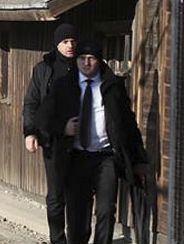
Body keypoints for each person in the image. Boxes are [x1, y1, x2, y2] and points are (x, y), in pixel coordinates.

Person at [39, 38, 148, 244]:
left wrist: (138, 159)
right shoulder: (64, 85)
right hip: (76, 158)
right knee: (77, 215)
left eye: (91, 58)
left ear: (99, 60)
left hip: (106, 157)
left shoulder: (112, 86)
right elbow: (42, 120)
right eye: (82, 58)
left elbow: (128, 123)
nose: (86, 63)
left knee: (106, 210)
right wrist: (63, 127)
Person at [23, 23, 78, 244]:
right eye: (65, 42)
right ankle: (58, 239)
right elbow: (31, 103)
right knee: (56, 194)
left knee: (78, 194)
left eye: (73, 41)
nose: (70, 45)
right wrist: (30, 132)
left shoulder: (83, 66)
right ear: (57, 44)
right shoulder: (44, 69)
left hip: (83, 140)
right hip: (53, 139)